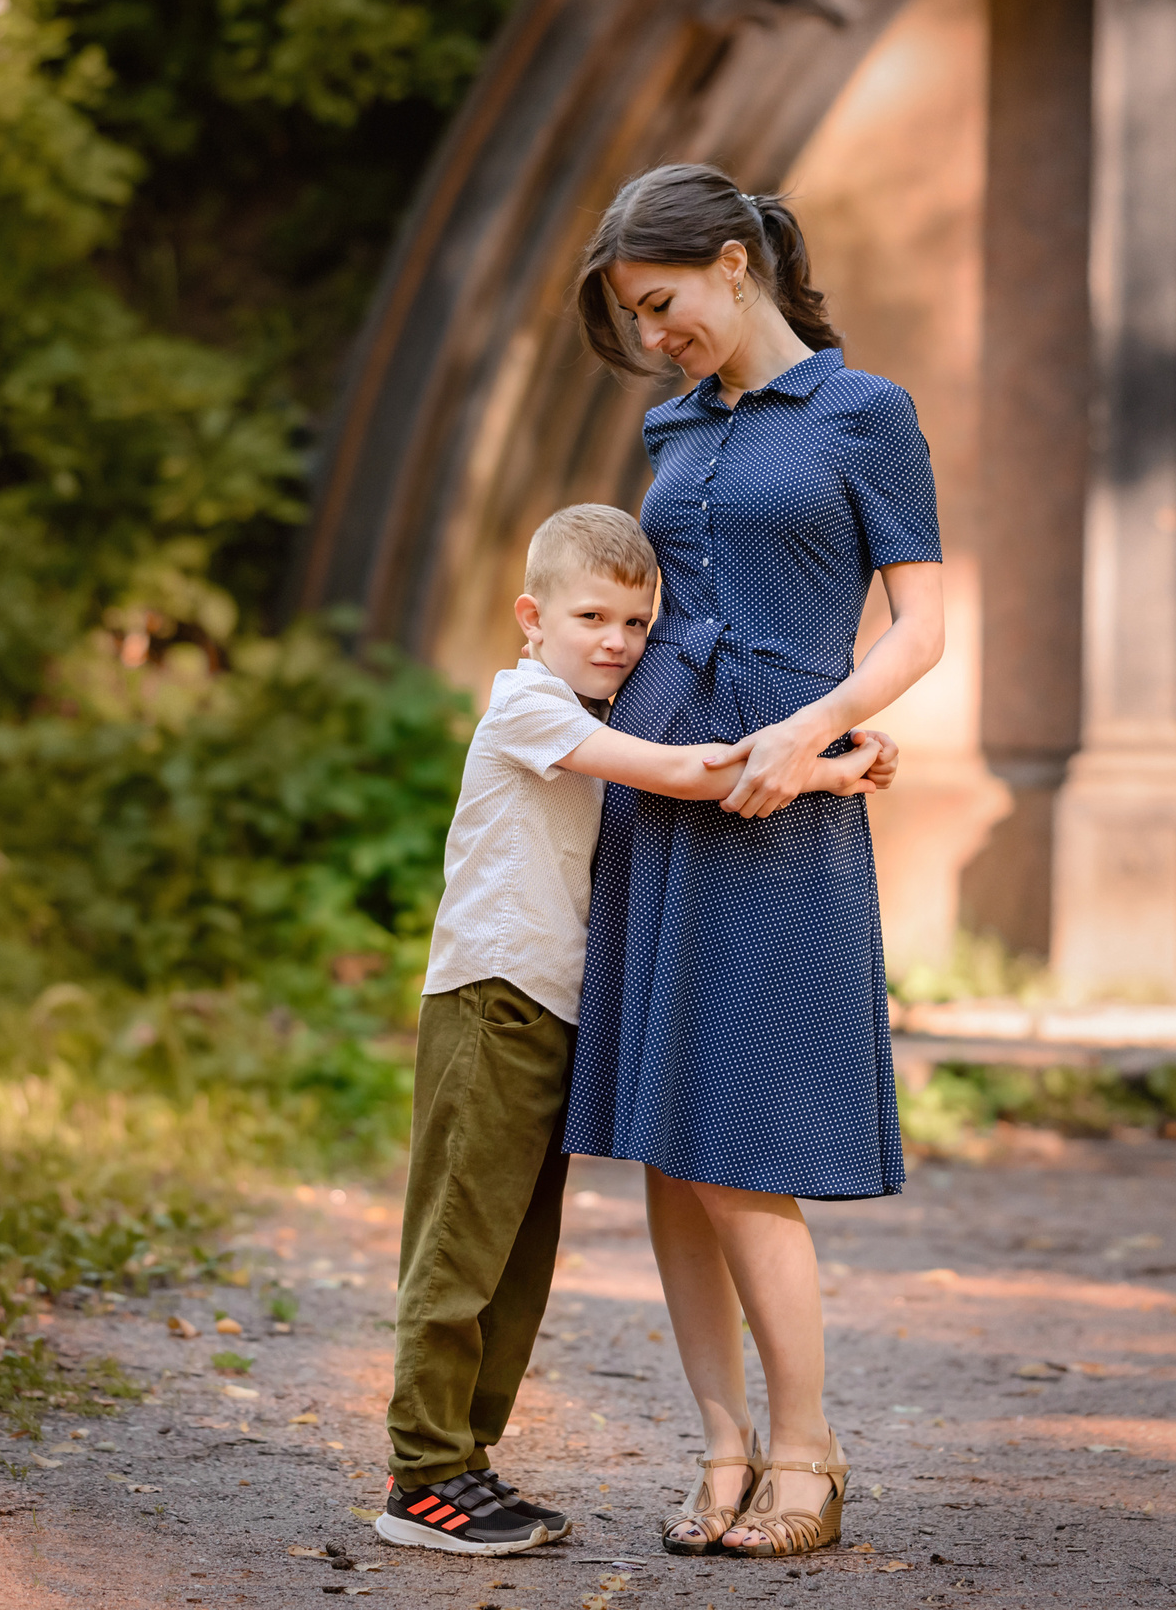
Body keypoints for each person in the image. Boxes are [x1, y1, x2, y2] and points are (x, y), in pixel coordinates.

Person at [377, 503, 899, 1556]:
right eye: (591, 618)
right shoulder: (529, 707)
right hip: (490, 1000)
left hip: (549, 1010)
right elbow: (682, 775)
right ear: (531, 618)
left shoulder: (589, 713)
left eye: (634, 622)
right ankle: (421, 1475)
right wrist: (830, 767)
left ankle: (466, 1466)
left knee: (519, 1251)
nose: (616, 642)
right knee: (460, 1242)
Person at [562, 163, 947, 1560]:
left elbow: (918, 631)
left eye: (662, 304)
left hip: (780, 806)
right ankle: (722, 1449)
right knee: (670, 1147)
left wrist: (825, 732)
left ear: (736, 262)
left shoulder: (866, 413)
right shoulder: (674, 427)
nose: (655, 337)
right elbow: (632, 614)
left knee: (737, 1148)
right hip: (663, 792)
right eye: (635, 318)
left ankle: (809, 1455)